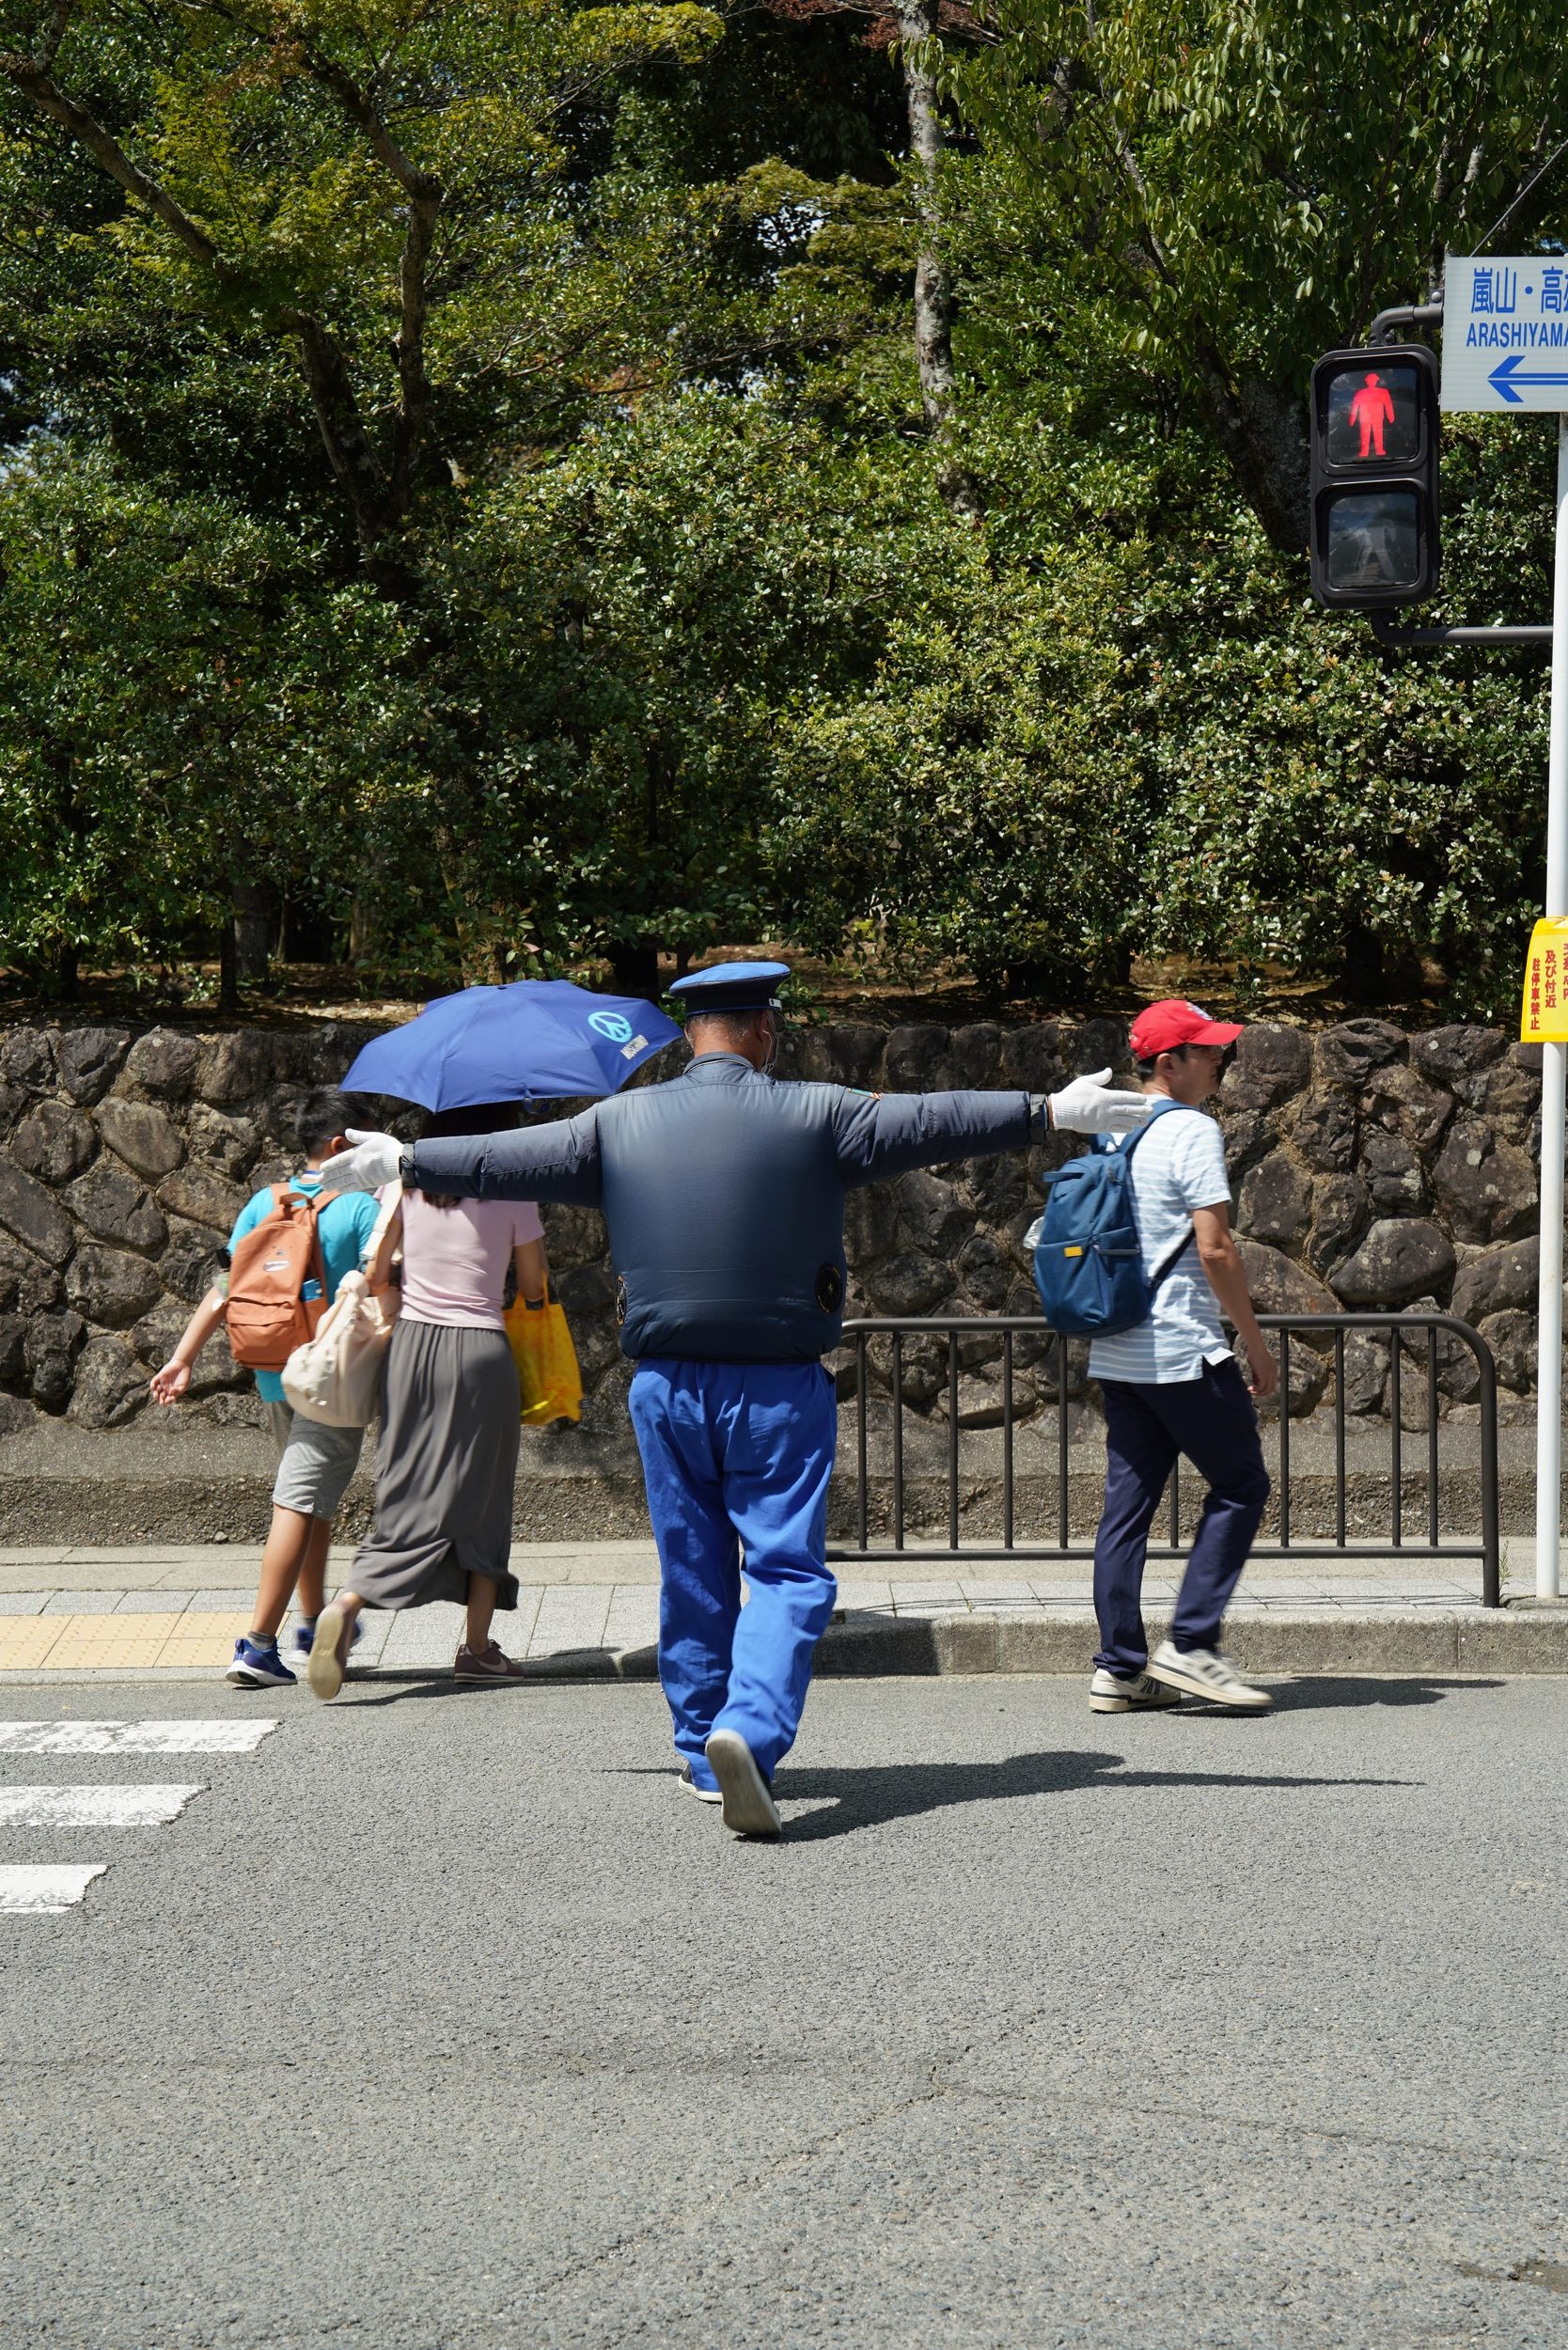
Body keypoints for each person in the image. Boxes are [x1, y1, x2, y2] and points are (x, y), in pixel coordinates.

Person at [321, 962, 1150, 1836]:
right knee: (786, 1570)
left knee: (694, 1574)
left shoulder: (617, 1122)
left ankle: (698, 1752)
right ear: (766, 1030)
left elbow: (510, 1155)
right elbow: (929, 1120)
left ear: (690, 1035)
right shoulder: (820, 1112)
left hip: (666, 1387)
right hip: (779, 1386)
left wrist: (408, 1157)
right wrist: (1045, 1111)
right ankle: (748, 1733)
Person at [305, 1103, 550, 1701]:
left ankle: (353, 1597)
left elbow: (380, 1273)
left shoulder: (407, 1181)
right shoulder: (513, 1189)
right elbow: (537, 1287)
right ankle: (477, 1649)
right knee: (484, 1494)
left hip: (411, 1350)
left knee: (406, 1483)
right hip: (478, 1353)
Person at [149, 1089, 383, 1689]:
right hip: (330, 1380)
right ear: (340, 1146)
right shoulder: (359, 1208)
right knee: (298, 1500)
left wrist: (182, 1359)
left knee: (309, 1499)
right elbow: (381, 1291)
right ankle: (257, 1645)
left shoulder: (263, 1200)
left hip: (274, 1372)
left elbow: (225, 1286)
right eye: (369, 1140)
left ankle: (310, 1623)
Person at [1085, 999, 1279, 1716]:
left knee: (1125, 1514)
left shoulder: (1112, 1130)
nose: (1219, 1061)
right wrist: (1252, 1342)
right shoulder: (1192, 1130)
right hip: (1182, 1349)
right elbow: (1215, 1247)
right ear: (1169, 1063)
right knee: (1242, 1486)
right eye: (1207, 1052)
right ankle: (1192, 1644)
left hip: (1120, 1349)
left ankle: (1118, 1667)